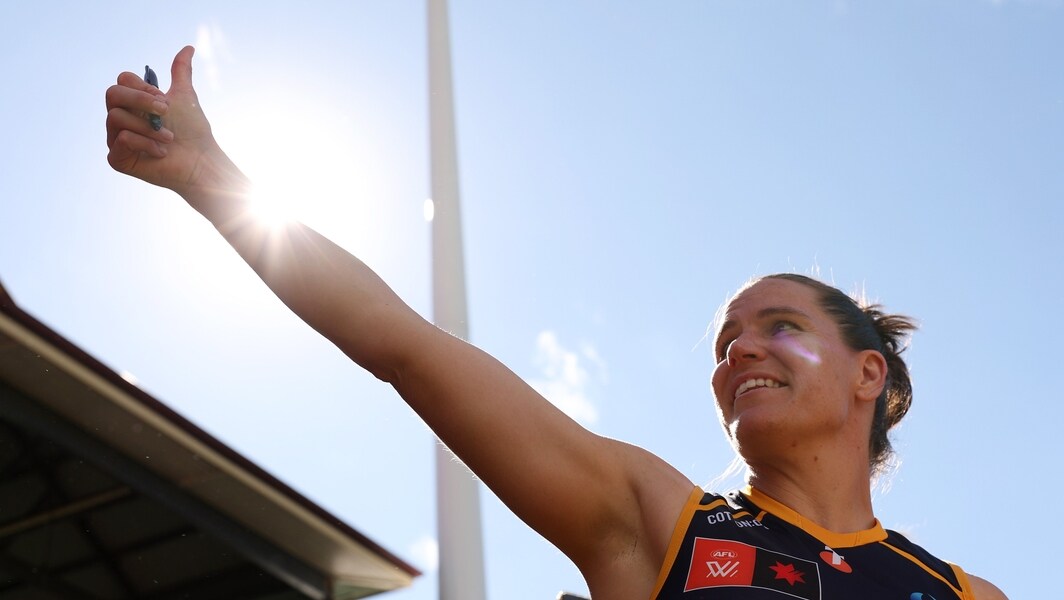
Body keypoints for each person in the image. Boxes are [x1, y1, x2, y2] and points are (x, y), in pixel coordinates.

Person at [105, 46, 1007, 600]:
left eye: (781, 326)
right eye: (727, 339)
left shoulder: (964, 595)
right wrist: (212, 180)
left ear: (867, 373)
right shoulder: (657, 521)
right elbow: (400, 343)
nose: (741, 348)